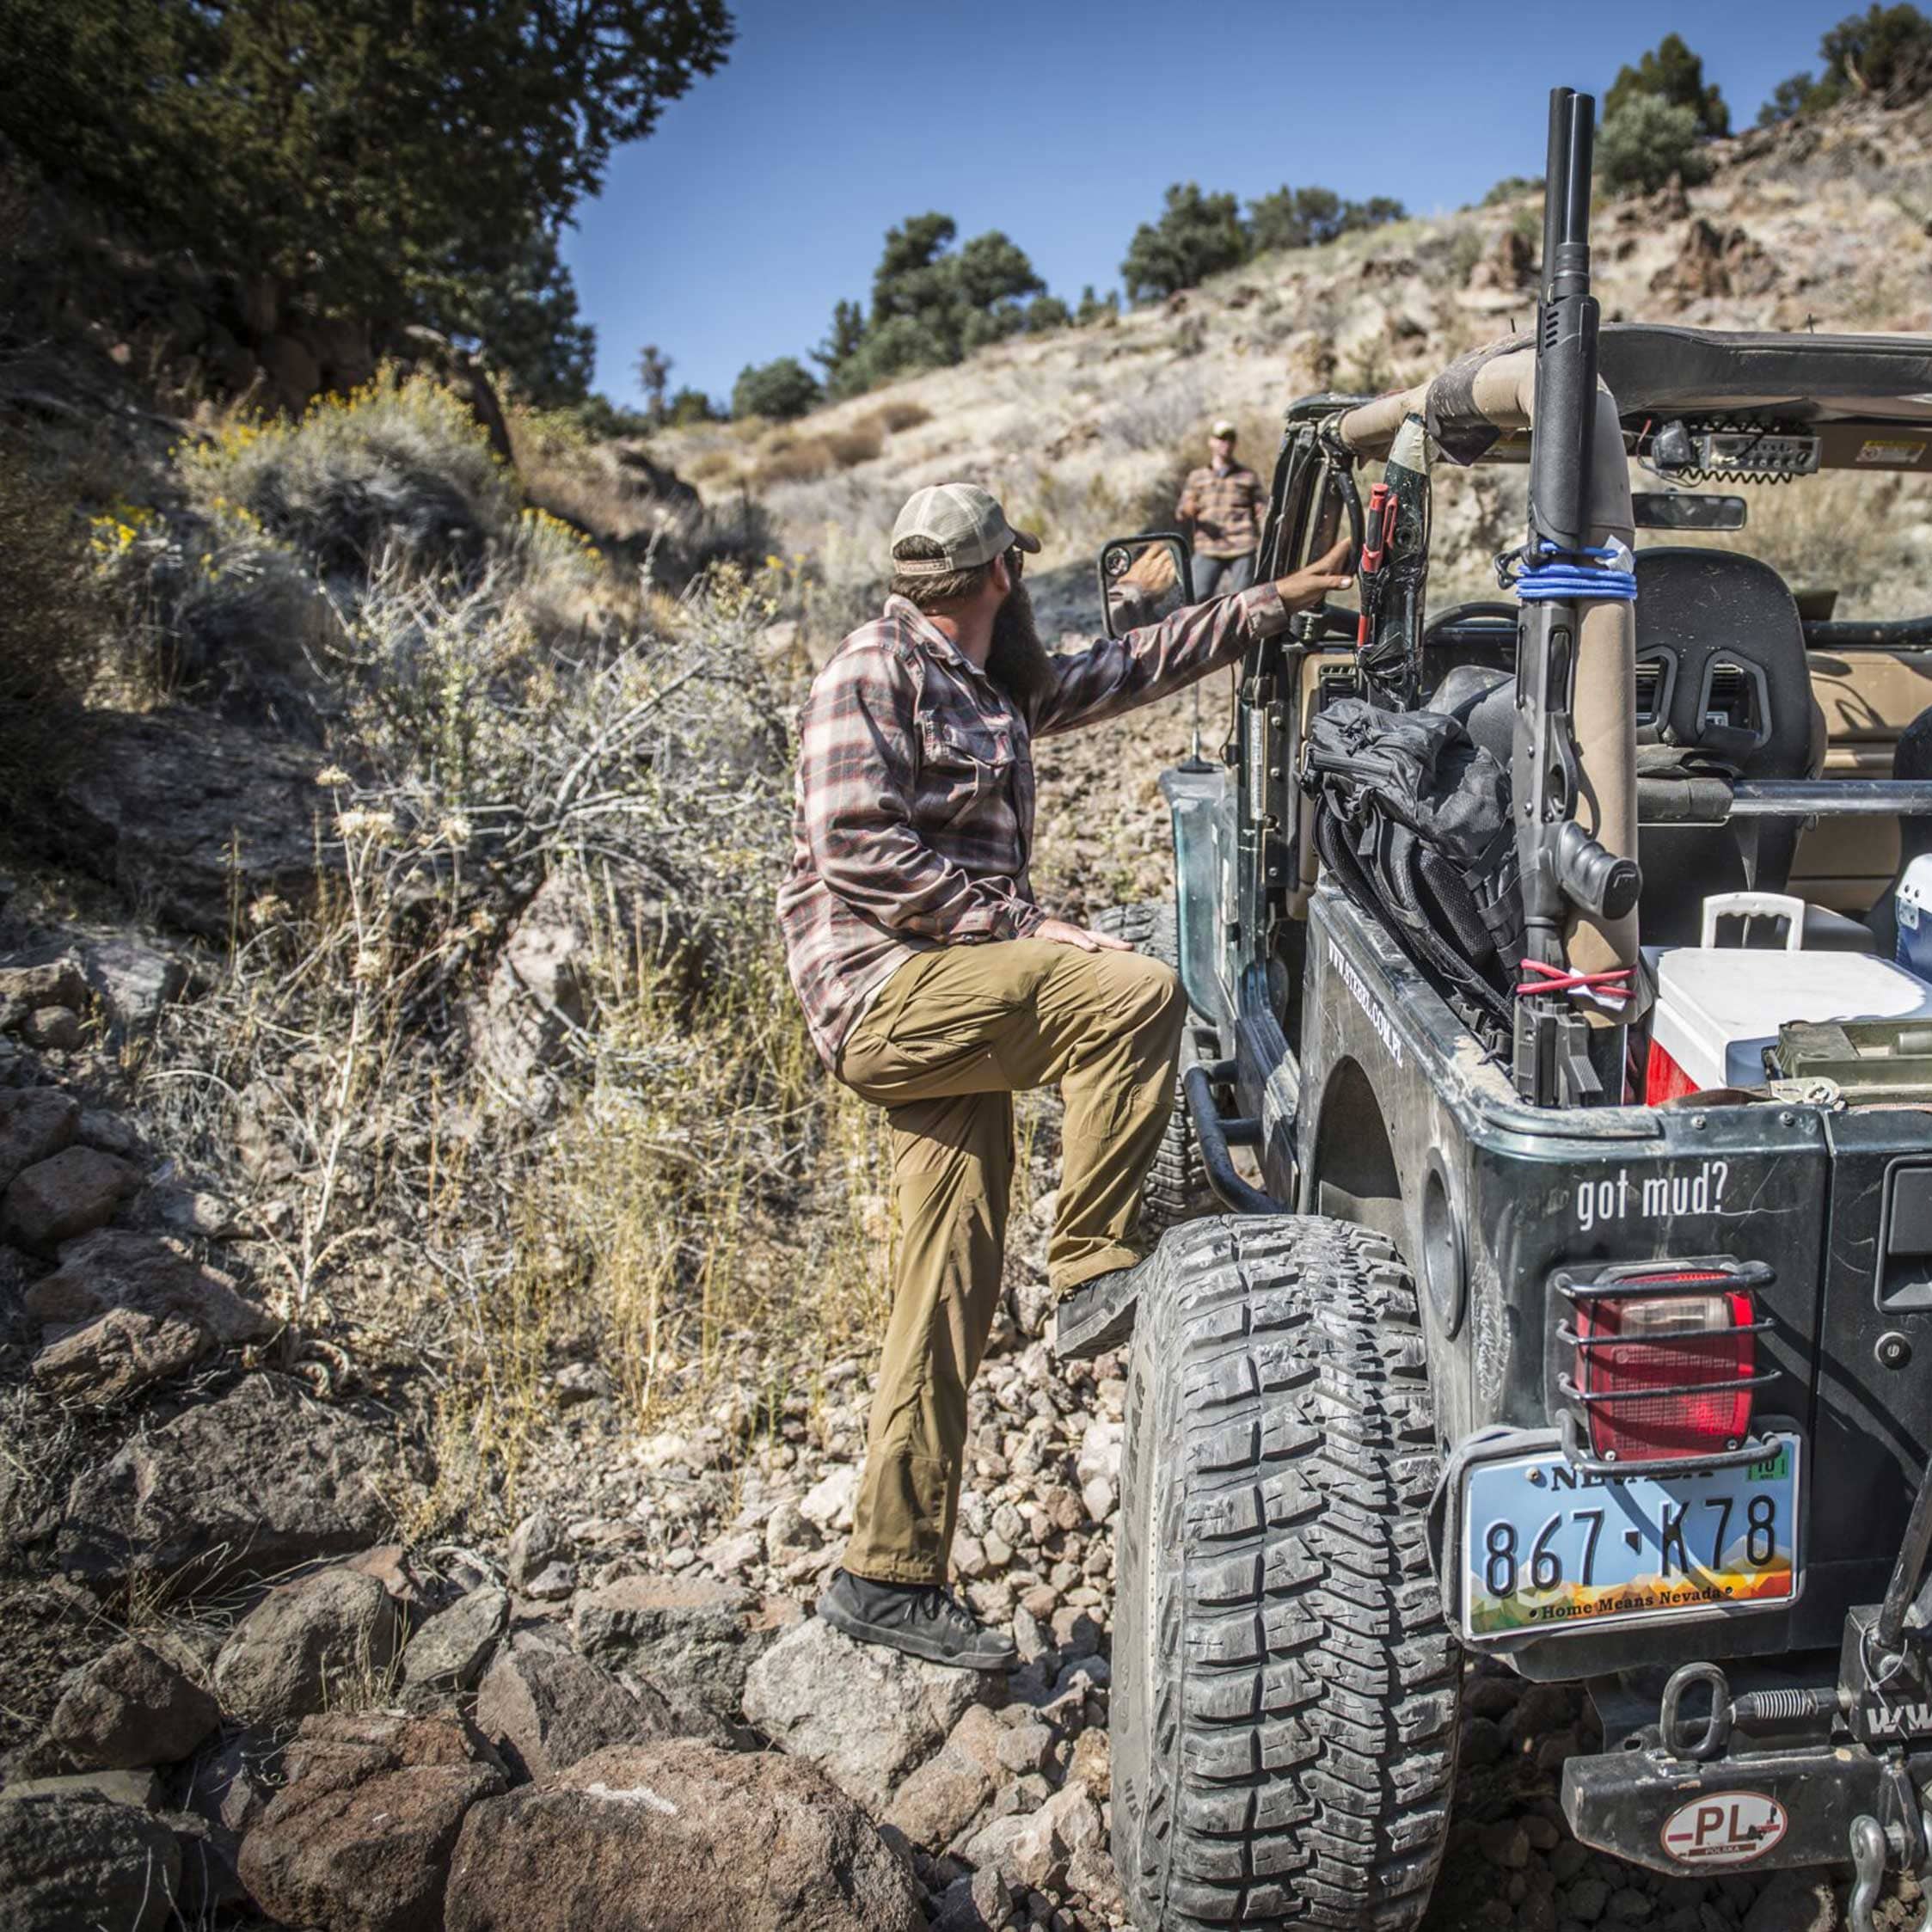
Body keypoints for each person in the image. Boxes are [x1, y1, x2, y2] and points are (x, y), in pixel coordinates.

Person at [778, 481, 1352, 1670]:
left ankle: (884, 1572)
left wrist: (1268, 602)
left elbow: (1121, 666)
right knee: (1130, 992)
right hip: (887, 993)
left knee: (949, 1278)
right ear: (1000, 573)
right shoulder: (872, 669)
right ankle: (1091, 1266)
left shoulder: (987, 680)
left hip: (949, 992)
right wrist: (1025, 926)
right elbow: (855, 846)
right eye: (1019, 568)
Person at [1177, 418, 1266, 600]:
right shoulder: (1197, 477)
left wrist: (1263, 517)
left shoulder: (1247, 476)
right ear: (1211, 441)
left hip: (1242, 546)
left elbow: (1262, 509)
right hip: (1208, 547)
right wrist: (1188, 509)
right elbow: (1181, 512)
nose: (1226, 443)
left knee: (1243, 601)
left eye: (1230, 439)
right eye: (1221, 438)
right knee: (1194, 597)